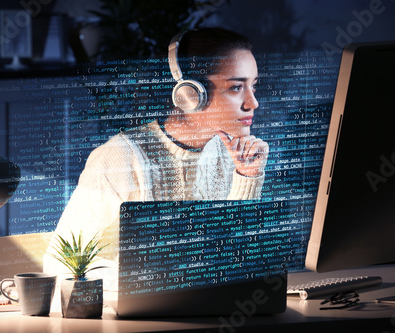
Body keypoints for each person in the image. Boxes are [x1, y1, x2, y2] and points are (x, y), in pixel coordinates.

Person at [44, 28, 269, 289]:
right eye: (236, 87)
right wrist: (150, 282)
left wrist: (248, 177)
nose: (253, 103)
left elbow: (235, 259)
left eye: (253, 86)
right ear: (191, 93)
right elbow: (59, 264)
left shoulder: (235, 155)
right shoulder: (121, 156)